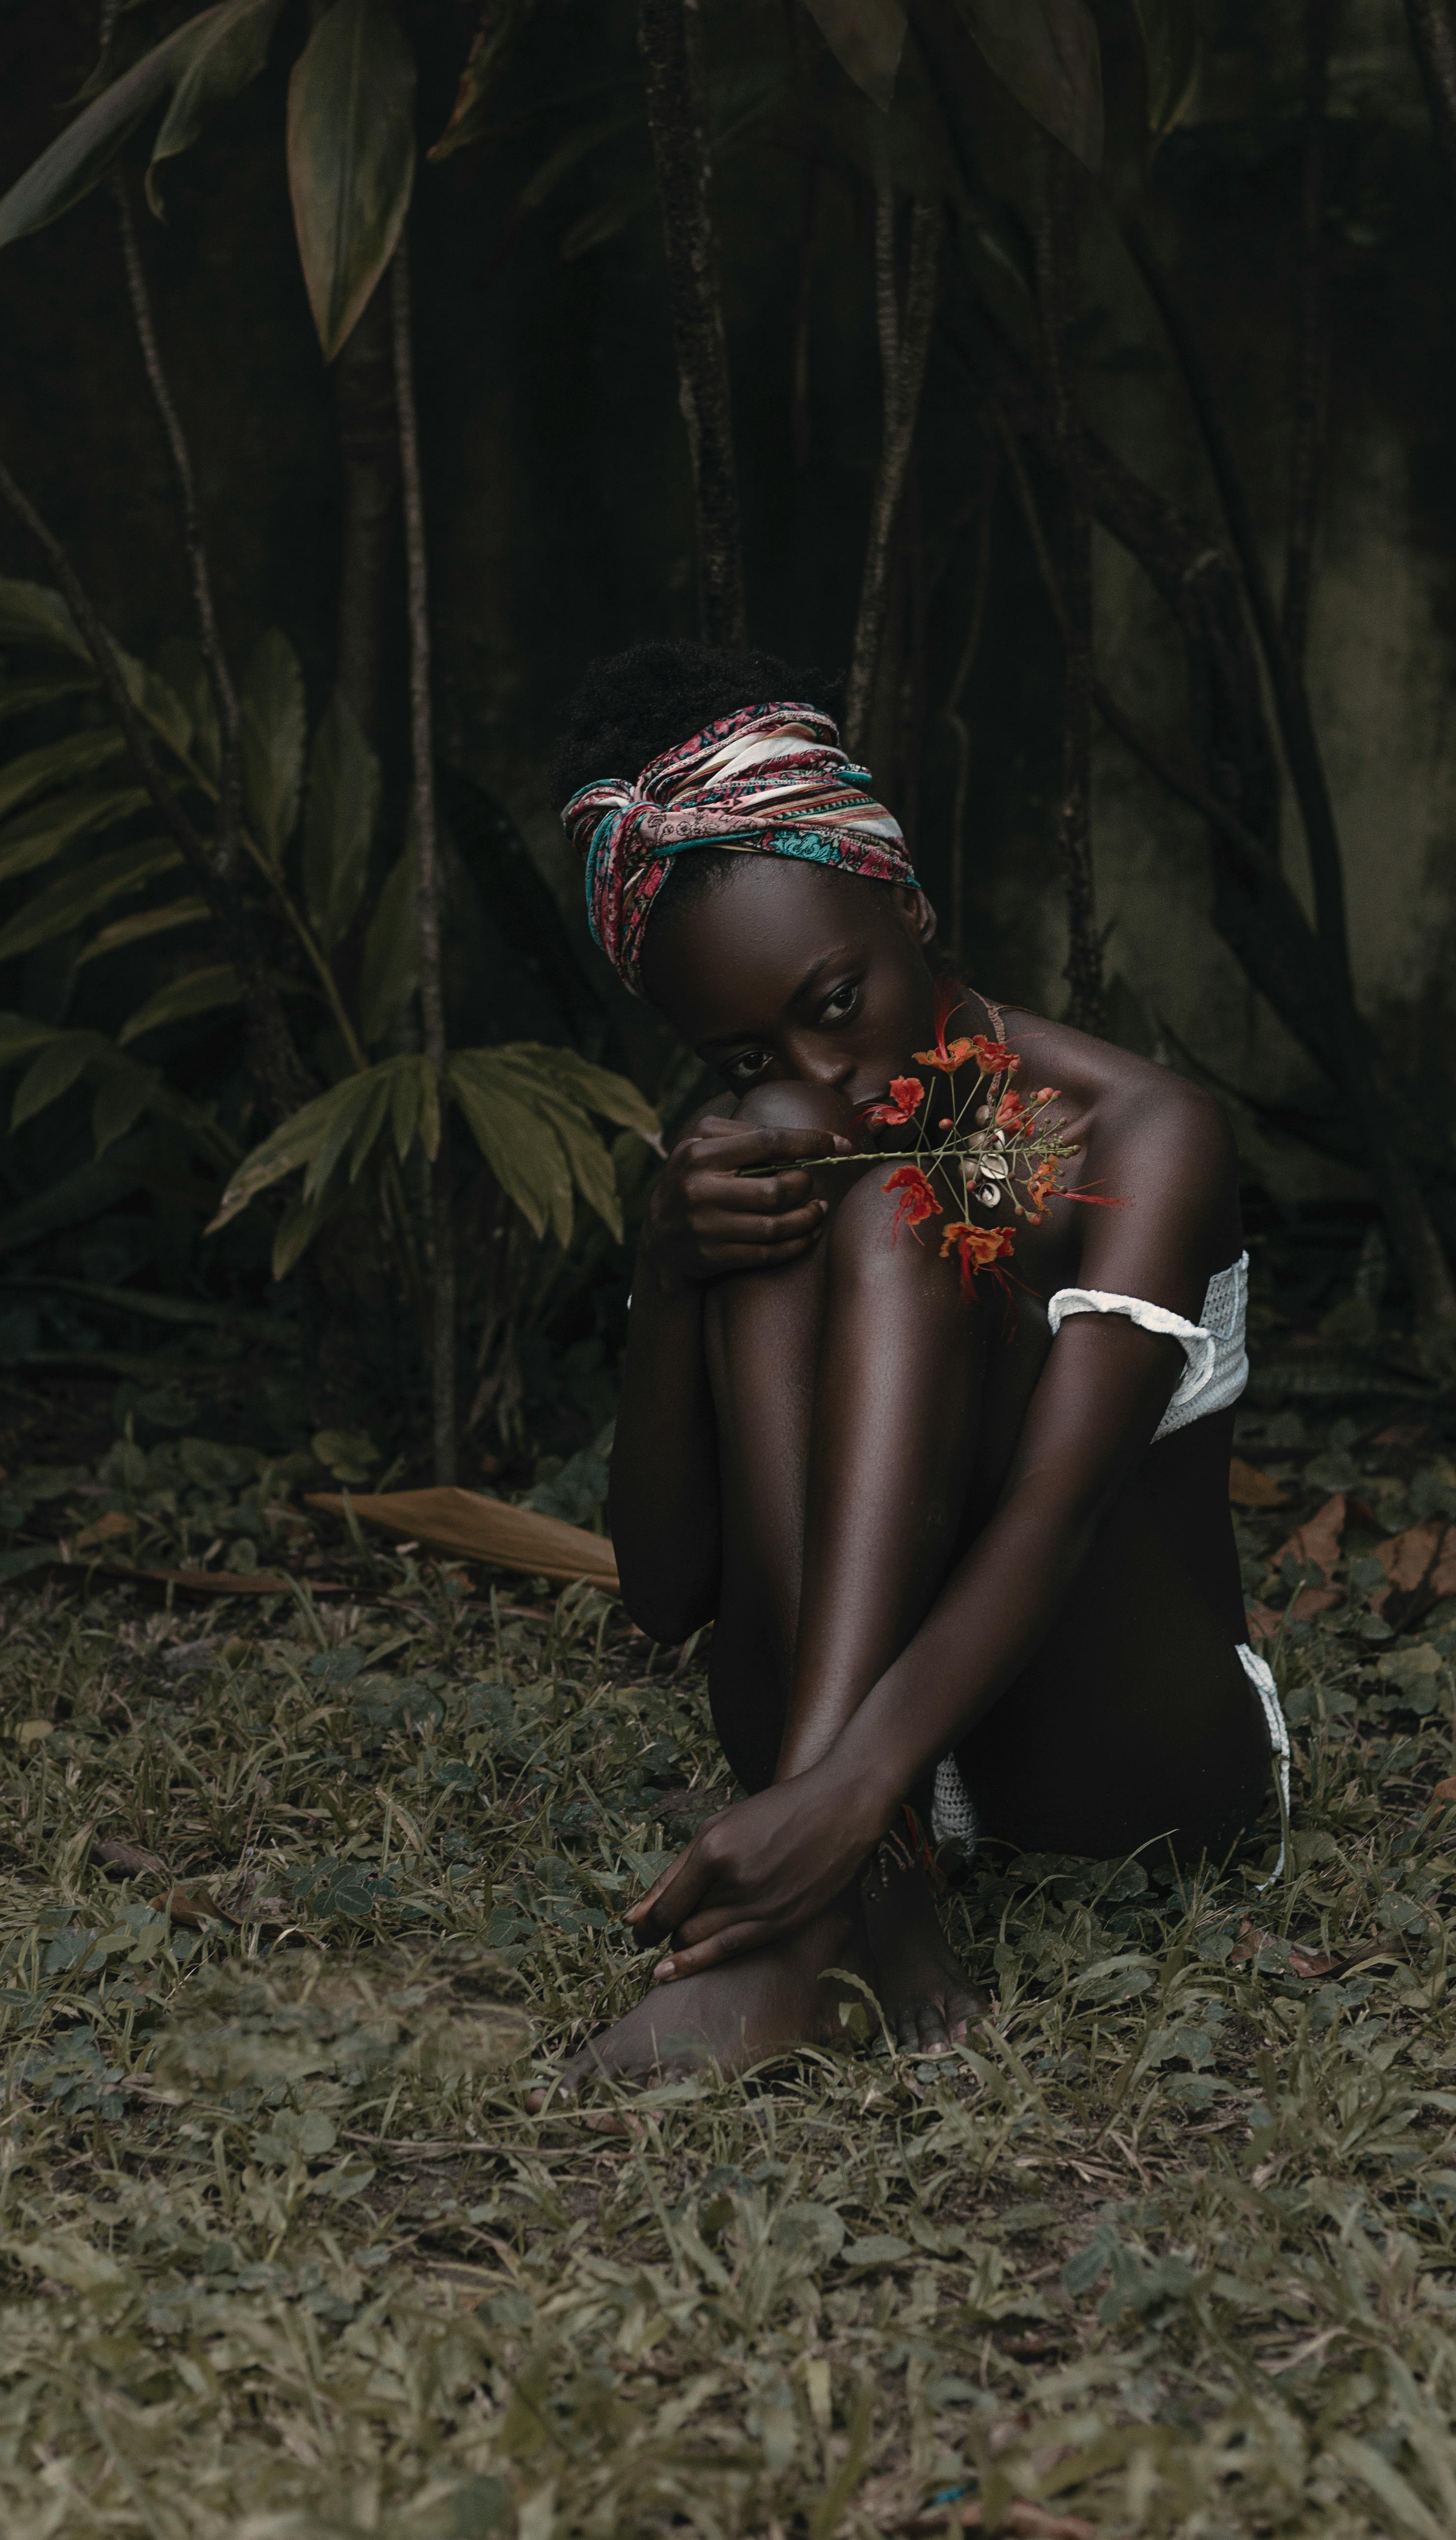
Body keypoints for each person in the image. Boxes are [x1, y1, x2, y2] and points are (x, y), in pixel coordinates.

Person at [548, 638, 1286, 2090]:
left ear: (910, 905)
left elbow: (1056, 1518)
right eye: (745, 1057)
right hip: (845, 1759)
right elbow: (665, 1593)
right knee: (802, 1177)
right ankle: (857, 1914)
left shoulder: (1146, 1132)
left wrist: (845, 1797)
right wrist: (671, 1269)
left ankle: (821, 1911)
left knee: (915, 1202)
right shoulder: (770, 1149)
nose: (823, 1079)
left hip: (1120, 1746)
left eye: (836, 1001)